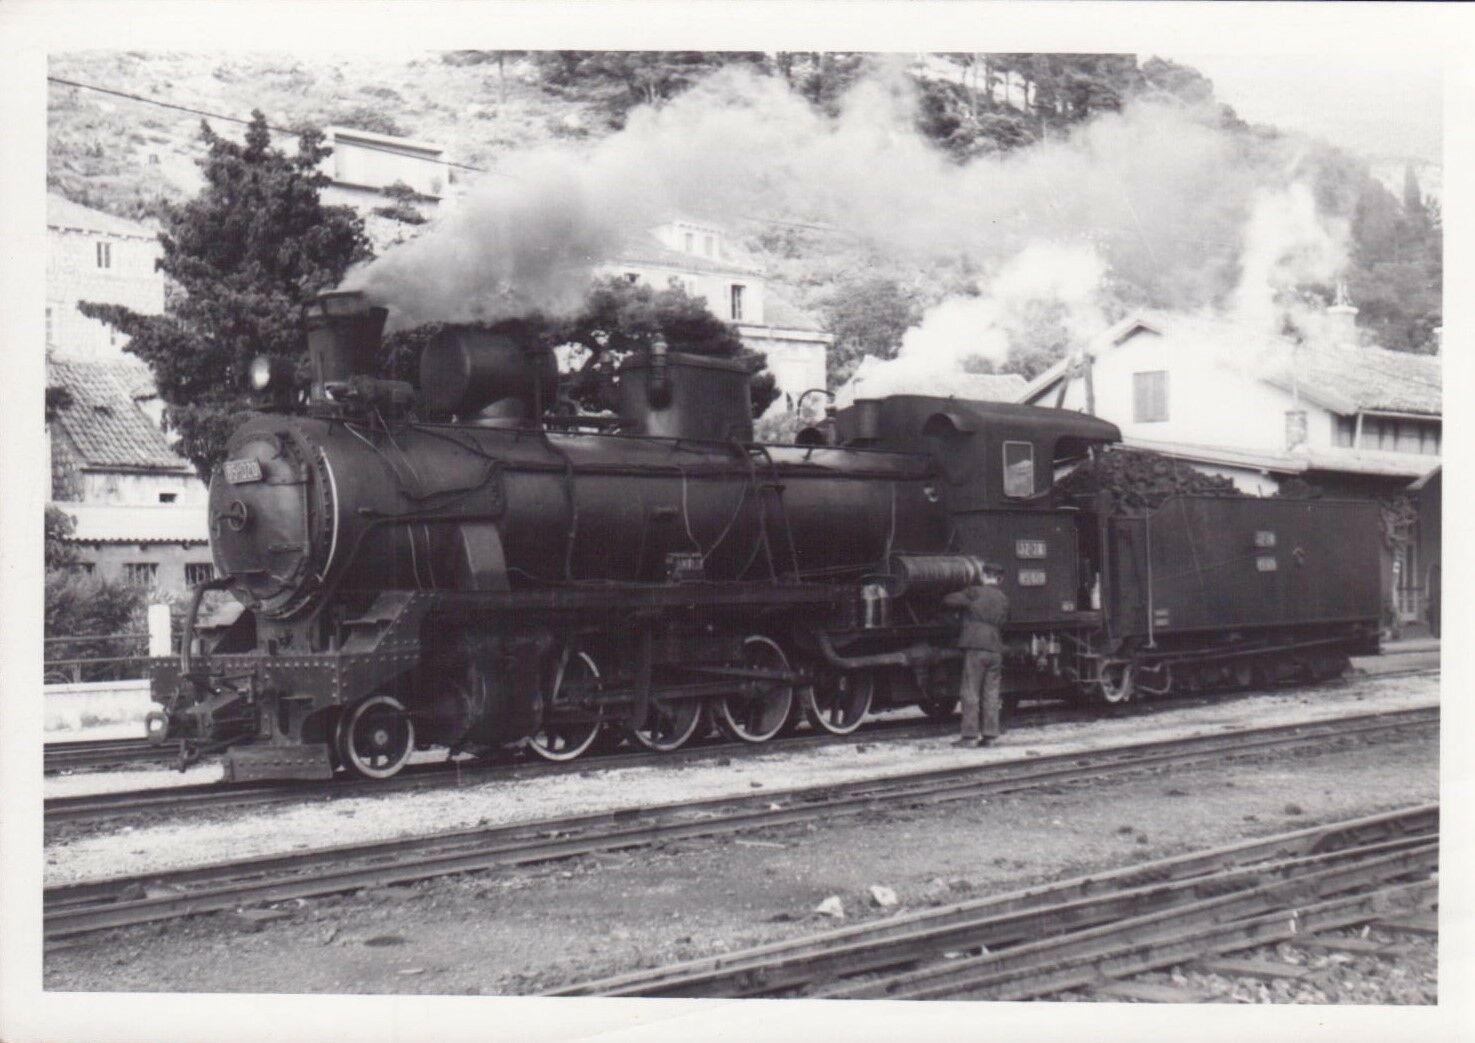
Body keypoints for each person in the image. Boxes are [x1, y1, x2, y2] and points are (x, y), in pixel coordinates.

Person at [942, 563, 1009, 747]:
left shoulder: (974, 592)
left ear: (983, 576)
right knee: (991, 693)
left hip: (976, 646)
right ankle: (990, 737)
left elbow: (949, 600)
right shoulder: (1003, 597)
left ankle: (970, 737)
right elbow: (1005, 621)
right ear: (999, 579)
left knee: (970, 691)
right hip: (995, 648)